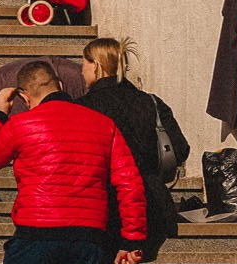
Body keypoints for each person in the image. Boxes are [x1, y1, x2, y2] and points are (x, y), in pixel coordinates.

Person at [0, 59, 148, 264]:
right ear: (61, 86)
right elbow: (130, 183)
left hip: (34, 234)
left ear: (25, 97)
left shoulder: (21, 125)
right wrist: (131, 239)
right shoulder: (103, 124)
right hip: (88, 237)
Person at [78, 37, 184, 253]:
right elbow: (180, 149)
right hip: (153, 202)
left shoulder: (83, 107)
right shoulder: (151, 102)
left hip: (103, 204)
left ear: (95, 65)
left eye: (83, 64)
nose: (81, 72)